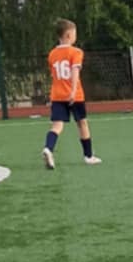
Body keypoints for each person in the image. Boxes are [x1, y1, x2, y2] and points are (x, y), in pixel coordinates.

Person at [42, 20, 102, 170]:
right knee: (82, 123)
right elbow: (75, 71)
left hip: (57, 95)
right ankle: (88, 156)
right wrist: (73, 90)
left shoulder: (52, 54)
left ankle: (48, 148)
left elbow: (54, 75)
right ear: (69, 35)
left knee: (57, 125)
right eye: (75, 33)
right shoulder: (76, 52)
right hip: (74, 95)